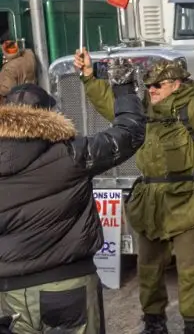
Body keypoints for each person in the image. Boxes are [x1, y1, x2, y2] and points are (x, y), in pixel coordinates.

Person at [77, 41, 194, 334]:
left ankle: (192, 325)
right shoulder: (143, 113)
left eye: (158, 85)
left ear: (177, 84)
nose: (151, 89)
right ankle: (154, 323)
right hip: (150, 205)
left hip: (186, 203)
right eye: (148, 85)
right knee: (148, 270)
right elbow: (111, 106)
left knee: (190, 270)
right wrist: (89, 76)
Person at [0, 59, 145, 334]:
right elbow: (129, 134)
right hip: (69, 285)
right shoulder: (71, 155)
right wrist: (124, 88)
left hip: (9, 293)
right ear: (50, 116)